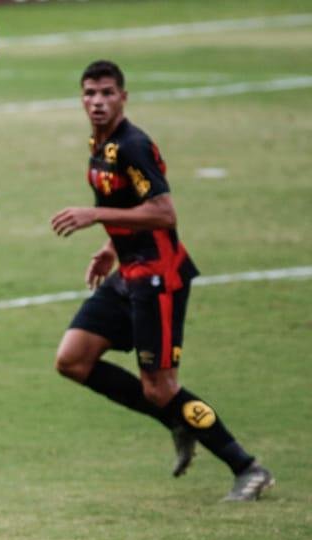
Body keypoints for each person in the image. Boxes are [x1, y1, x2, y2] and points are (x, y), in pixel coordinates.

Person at [50, 60, 274, 502]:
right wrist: (111, 247)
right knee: (72, 359)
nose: (98, 101)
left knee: (161, 388)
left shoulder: (133, 145)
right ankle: (176, 418)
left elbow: (164, 212)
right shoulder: (101, 144)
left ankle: (248, 468)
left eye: (107, 93)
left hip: (158, 278)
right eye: (90, 93)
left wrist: (94, 215)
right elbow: (126, 204)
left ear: (123, 97)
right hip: (128, 272)